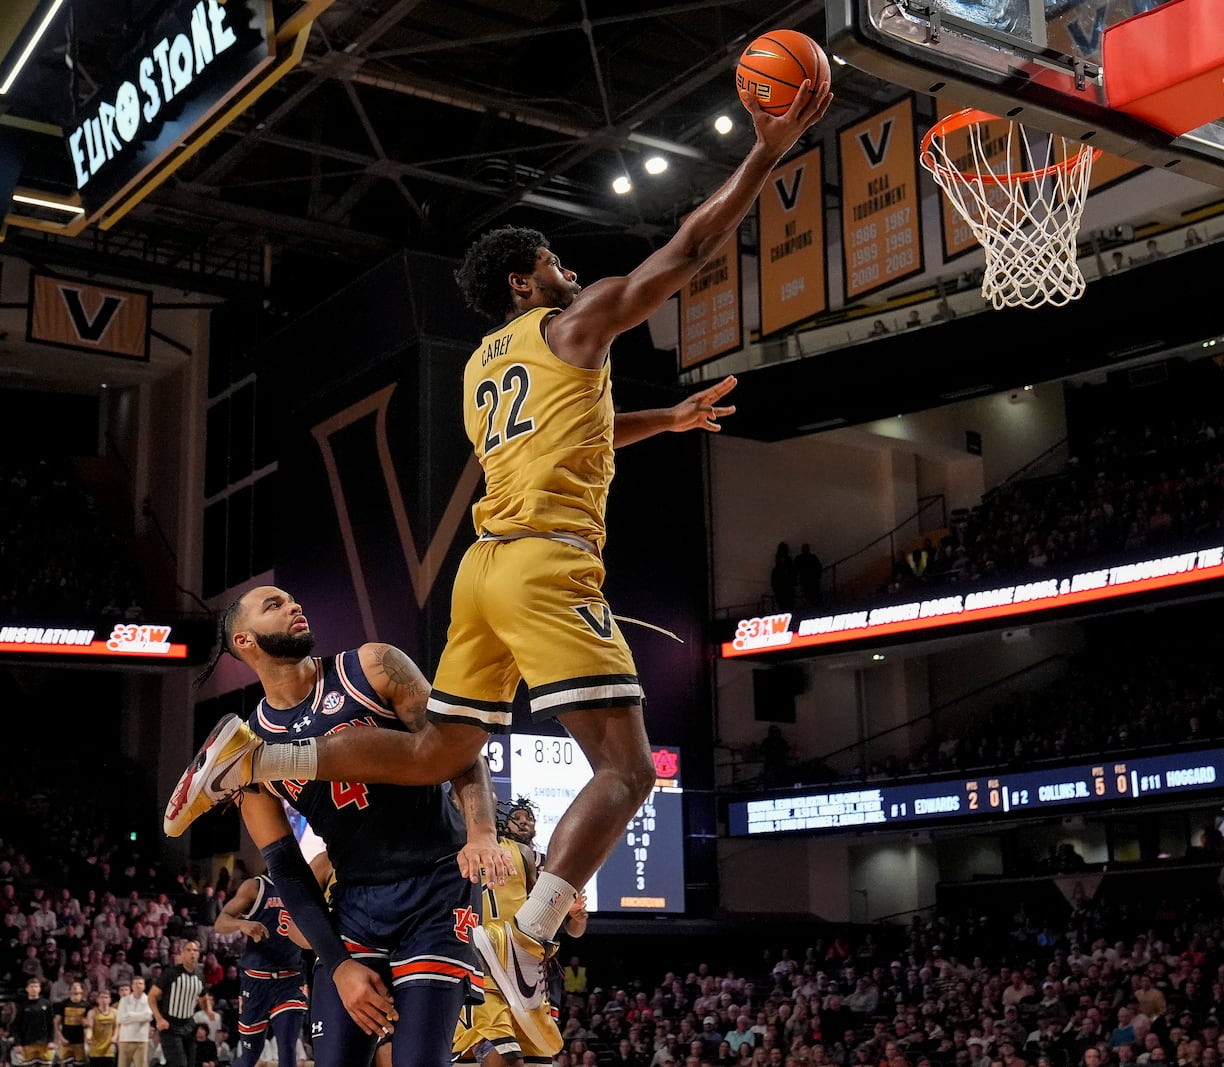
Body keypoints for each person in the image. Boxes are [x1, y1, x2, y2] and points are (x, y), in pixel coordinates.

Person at [165, 62, 831, 1007]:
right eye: (554, 259)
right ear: (528, 281)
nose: (569, 266)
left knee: (439, 752)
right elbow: (681, 254)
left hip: (482, 571)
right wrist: (764, 155)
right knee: (629, 769)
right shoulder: (573, 320)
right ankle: (526, 935)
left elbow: (566, 431)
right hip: (547, 566)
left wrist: (663, 422)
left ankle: (261, 757)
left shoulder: (487, 365)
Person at [205, 589, 503, 1067]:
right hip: (355, 902)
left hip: (437, 888)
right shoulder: (251, 748)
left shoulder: (373, 666)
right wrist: (340, 965)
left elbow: (459, 751)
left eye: (292, 599)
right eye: (274, 606)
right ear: (245, 641)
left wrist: (482, 831)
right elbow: (285, 865)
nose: (294, 605)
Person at [452, 796, 588, 1067]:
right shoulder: (447, 848)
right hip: (476, 968)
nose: (524, 822)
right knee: (505, 1056)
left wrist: (571, 913)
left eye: (529, 819)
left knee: (535, 1060)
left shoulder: (529, 857)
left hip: (524, 970)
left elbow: (566, 927)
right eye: (519, 818)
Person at [213, 873, 308, 1067]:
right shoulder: (256, 887)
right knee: (250, 1055)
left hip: (290, 979)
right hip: (256, 980)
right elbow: (220, 923)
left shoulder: (303, 885)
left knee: (288, 1049)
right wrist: (241, 923)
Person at [152, 940, 207, 1067]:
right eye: (188, 950)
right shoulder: (170, 973)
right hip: (170, 1025)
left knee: (190, 1063)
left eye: (195, 950)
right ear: (181, 954)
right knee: (179, 1064)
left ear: (198, 954)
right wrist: (159, 1019)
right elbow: (152, 997)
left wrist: (208, 1010)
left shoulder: (200, 976)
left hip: (189, 1024)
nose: (192, 953)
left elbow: (203, 997)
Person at [15, 976, 56, 1067]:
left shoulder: (47, 1004)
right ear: (27, 989)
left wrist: (52, 1040)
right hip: (27, 1043)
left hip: (44, 1043)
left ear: (40, 989)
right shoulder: (22, 1006)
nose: (34, 989)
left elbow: (51, 1024)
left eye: (36, 986)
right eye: (32, 986)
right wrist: (17, 1043)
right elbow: (17, 1026)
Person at [117, 977, 155, 1067]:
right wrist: (141, 1016)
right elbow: (120, 1019)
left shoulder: (149, 999)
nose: (138, 986)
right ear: (132, 986)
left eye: (140, 983)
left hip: (141, 1040)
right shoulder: (124, 1000)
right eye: (135, 984)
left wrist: (130, 1015)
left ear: (144, 986)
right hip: (125, 1039)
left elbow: (149, 1016)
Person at [57, 979, 93, 1067]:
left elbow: (90, 1024)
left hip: (79, 1042)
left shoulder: (86, 1005)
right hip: (65, 1041)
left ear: (82, 991)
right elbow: (56, 1023)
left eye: (77, 988)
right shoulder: (63, 1004)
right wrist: (60, 1038)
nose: (75, 989)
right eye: (73, 988)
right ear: (70, 991)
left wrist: (86, 1024)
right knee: (64, 1064)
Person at [89, 988, 120, 1067]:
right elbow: (90, 1027)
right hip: (96, 1048)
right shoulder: (92, 1012)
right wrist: (88, 1036)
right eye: (101, 997)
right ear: (98, 1000)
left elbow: (117, 1027)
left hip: (109, 1047)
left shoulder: (115, 1012)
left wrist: (115, 1036)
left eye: (106, 997)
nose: (104, 1000)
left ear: (110, 1000)